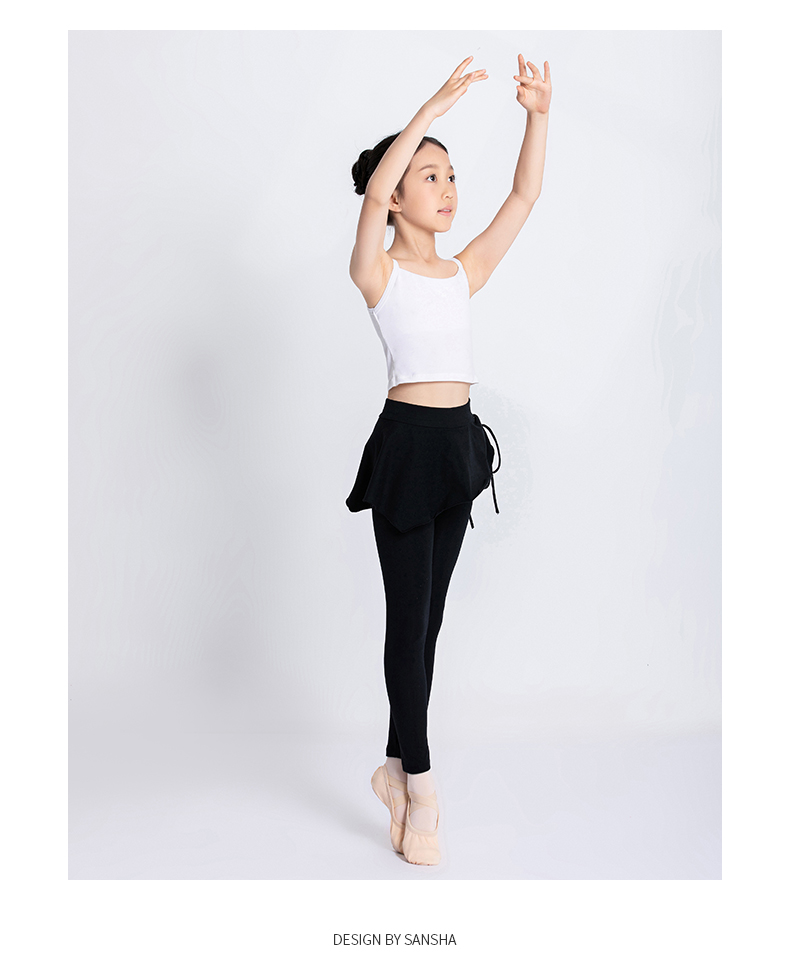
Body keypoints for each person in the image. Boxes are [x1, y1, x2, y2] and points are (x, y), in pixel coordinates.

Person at [346, 54, 551, 865]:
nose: (447, 187)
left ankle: (393, 772)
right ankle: (423, 789)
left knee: (427, 626)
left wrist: (538, 114)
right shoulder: (377, 272)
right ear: (397, 197)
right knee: (407, 623)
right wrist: (430, 109)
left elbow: (523, 197)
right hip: (405, 452)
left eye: (452, 174)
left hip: (458, 449)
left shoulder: (462, 273)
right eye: (429, 175)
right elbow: (371, 195)